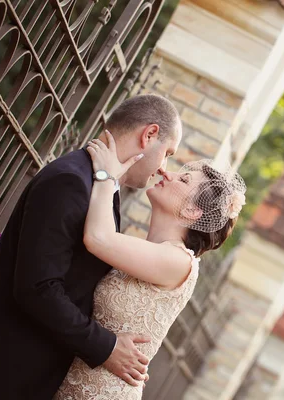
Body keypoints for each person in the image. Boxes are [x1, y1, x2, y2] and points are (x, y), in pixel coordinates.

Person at [0, 94, 182, 400]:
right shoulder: (71, 180)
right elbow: (37, 287)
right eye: (168, 153)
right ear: (149, 135)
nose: (164, 168)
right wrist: (106, 346)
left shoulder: (99, 185)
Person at [54, 132, 246, 399]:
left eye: (184, 179)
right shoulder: (145, 252)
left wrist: (107, 174)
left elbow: (98, 238)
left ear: (192, 212)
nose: (167, 174)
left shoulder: (179, 262)